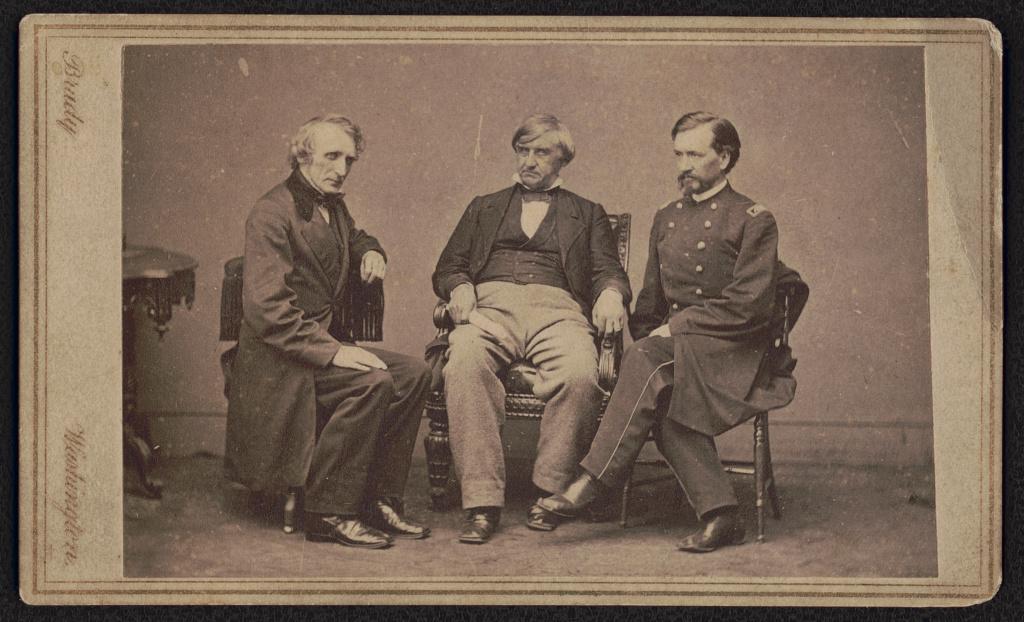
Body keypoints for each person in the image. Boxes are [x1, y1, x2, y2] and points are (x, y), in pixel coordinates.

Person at [538, 111, 808, 553]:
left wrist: (673, 330)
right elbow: (650, 303)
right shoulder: (666, 216)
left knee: (648, 362)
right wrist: (655, 334)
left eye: (694, 155)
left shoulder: (753, 219)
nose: (683, 165)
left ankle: (593, 480)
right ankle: (722, 515)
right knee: (657, 385)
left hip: (735, 350)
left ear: (724, 158)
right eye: (678, 155)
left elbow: (749, 306)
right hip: (678, 350)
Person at [225, 114, 431, 550]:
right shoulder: (270, 213)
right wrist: (335, 352)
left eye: (349, 160)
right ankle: (328, 512)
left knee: (414, 374)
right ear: (303, 156)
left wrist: (371, 250)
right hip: (280, 361)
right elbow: (267, 311)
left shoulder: (331, 204)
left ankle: (378, 498)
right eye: (332, 156)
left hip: (315, 346)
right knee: (372, 381)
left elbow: (352, 236)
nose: (341, 169)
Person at [432, 113, 632, 543]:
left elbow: (607, 270)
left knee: (581, 373)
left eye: (541, 152)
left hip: (557, 309)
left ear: (563, 159)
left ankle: (551, 491)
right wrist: (460, 286)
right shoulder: (483, 206)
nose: (529, 161)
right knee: (463, 363)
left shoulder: (587, 212)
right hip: (490, 305)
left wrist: (612, 294)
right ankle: (482, 502)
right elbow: (449, 265)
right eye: (523, 151)